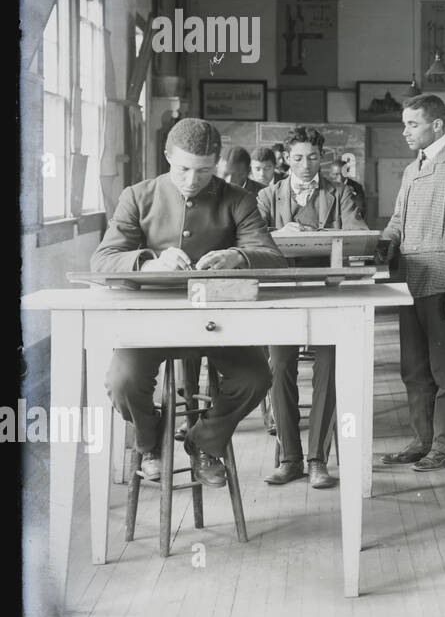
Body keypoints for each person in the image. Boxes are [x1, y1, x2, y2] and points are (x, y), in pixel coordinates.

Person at [92, 118, 281, 487]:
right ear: (167, 157)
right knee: (123, 381)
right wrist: (149, 262)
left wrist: (238, 257)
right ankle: (150, 442)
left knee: (256, 377)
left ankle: (204, 440)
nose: (193, 180)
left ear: (218, 164)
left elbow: (272, 257)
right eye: (183, 169)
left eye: (205, 171)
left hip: (218, 319)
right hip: (151, 320)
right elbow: (102, 261)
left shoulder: (239, 199)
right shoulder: (137, 195)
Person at [378, 94, 445, 471]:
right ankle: (422, 441)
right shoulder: (413, 170)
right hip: (410, 282)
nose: (405, 131)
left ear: (437, 125)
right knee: (413, 368)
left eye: (413, 124)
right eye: (405, 123)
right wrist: (383, 242)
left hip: (443, 285)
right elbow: (397, 219)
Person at [256, 127, 367, 487]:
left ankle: (318, 459)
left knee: (330, 366)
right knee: (280, 365)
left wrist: (321, 238)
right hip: (281, 295)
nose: (306, 165)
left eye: (314, 157)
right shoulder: (267, 196)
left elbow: (357, 236)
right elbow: (251, 240)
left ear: (324, 158)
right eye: (299, 158)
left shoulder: (341, 194)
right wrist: (281, 236)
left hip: (327, 293)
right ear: (286, 158)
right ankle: (290, 458)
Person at [320, 150, 368, 222]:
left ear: (347, 172)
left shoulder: (357, 187)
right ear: (330, 174)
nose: (339, 178)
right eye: (335, 174)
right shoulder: (324, 187)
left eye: (342, 174)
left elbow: (361, 209)